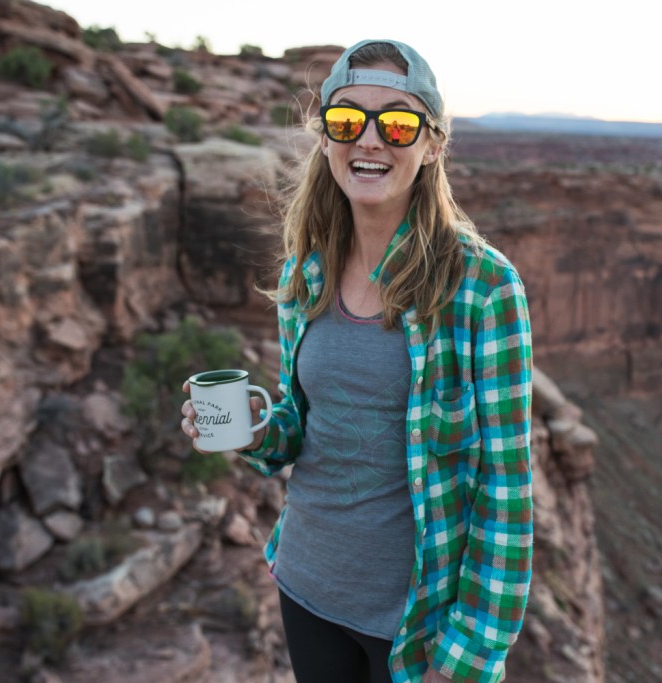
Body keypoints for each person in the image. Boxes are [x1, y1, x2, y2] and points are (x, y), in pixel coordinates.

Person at [181, 38, 533, 683]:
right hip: (306, 586)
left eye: (397, 123)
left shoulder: (483, 286)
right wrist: (256, 428)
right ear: (325, 137)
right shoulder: (305, 271)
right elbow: (303, 428)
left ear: (431, 145)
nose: (369, 140)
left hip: (413, 626)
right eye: (347, 120)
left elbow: (505, 488)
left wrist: (469, 657)